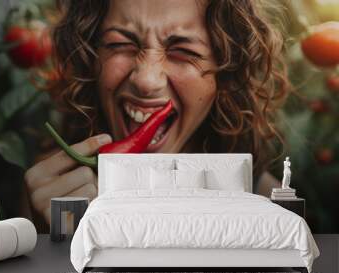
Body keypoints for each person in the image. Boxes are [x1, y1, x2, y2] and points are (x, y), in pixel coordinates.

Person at [24, 0, 288, 227]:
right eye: (119, 43)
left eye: (184, 51)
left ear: (226, 73)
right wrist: (53, 236)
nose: (146, 80)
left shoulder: (269, 205)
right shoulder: (50, 188)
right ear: (90, 59)